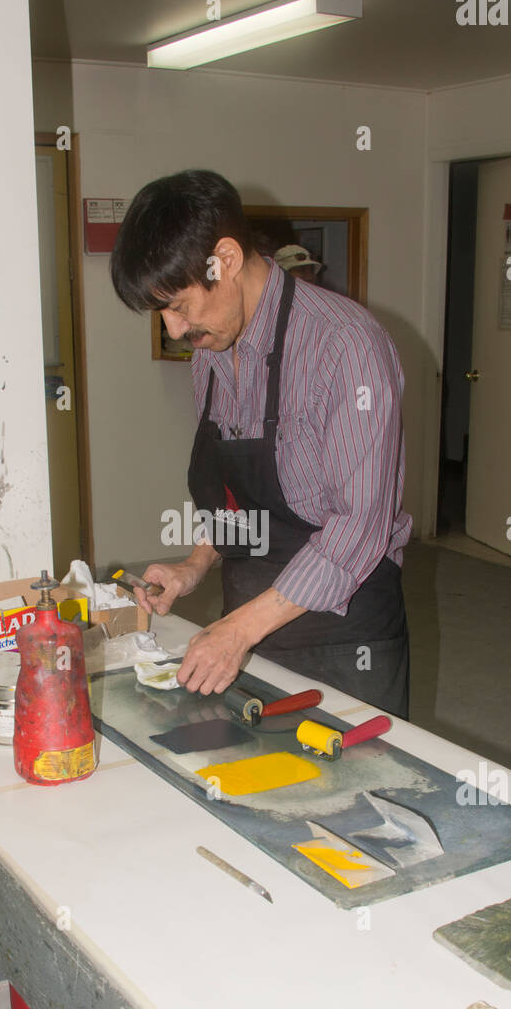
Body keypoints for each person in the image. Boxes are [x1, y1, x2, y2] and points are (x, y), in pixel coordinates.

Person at [109, 169, 412, 718]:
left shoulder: (344, 347)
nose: (174, 330)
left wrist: (238, 630)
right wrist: (195, 566)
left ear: (224, 259)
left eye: (177, 305)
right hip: (248, 627)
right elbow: (236, 498)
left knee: (355, 798)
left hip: (344, 640)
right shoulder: (212, 354)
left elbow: (360, 529)